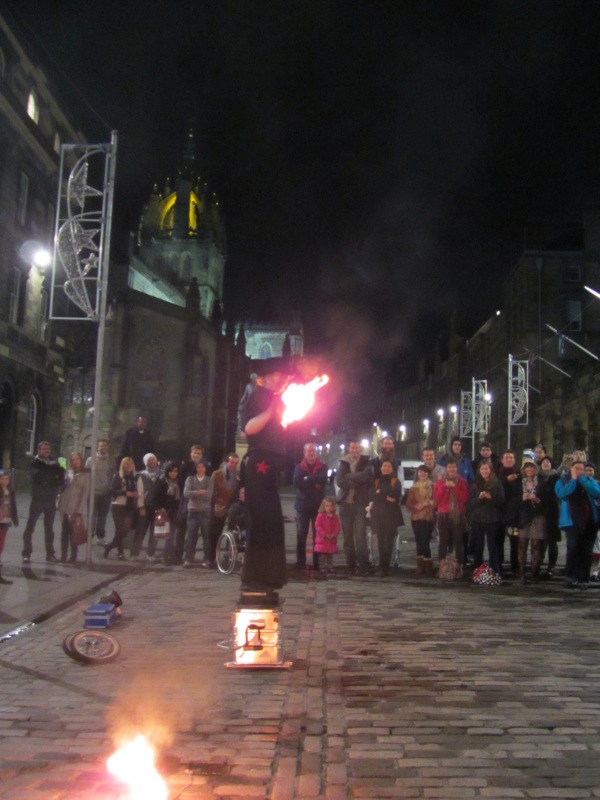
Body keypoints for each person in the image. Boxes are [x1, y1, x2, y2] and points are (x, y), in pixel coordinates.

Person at [239, 357, 290, 594]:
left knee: (271, 521)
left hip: (268, 465)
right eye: (278, 375)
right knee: (261, 521)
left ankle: (270, 575)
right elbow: (249, 428)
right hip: (259, 463)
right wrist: (271, 411)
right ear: (266, 377)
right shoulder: (258, 394)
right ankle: (256, 575)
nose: (281, 379)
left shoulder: (273, 397)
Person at [555, 459, 600, 589]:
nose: (579, 471)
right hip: (571, 521)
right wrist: (574, 480)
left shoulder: (589, 480)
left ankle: (583, 578)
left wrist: (583, 481)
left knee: (586, 551)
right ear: (571, 469)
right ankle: (571, 576)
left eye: (582, 469)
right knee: (573, 548)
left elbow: (597, 492)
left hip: (590, 521)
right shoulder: (563, 481)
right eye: (576, 468)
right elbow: (562, 494)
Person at [21, 441, 65, 564]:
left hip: (50, 500)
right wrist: (52, 475)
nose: (46, 451)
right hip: (37, 500)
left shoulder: (55, 461)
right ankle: (26, 553)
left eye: (48, 449)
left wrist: (55, 478)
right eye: (44, 449)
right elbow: (38, 477)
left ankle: (50, 554)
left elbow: (61, 476)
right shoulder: (35, 462)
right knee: (30, 527)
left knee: (49, 529)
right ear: (39, 450)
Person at [335, 439, 373, 577]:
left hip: (360, 504)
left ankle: (363, 566)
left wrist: (348, 477)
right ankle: (350, 565)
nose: (354, 450)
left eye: (357, 448)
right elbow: (339, 480)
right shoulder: (343, 462)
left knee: (360, 537)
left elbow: (365, 476)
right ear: (349, 448)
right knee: (347, 538)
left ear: (360, 449)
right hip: (345, 504)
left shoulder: (366, 461)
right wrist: (352, 483)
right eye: (352, 447)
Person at [293, 443, 327, 570]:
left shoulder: (323, 466)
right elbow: (297, 482)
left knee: (317, 535)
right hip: (302, 506)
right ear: (304, 453)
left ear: (316, 453)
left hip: (318, 507)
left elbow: (323, 480)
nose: (311, 453)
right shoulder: (299, 467)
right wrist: (314, 483)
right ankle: (301, 562)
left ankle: (316, 562)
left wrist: (307, 479)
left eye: (313, 451)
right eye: (309, 451)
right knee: (301, 535)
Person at [367, 459, 403, 576]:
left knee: (389, 541)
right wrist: (386, 496)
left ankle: (386, 566)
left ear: (392, 469)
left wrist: (380, 493)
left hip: (391, 515)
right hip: (378, 515)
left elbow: (395, 493)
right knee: (381, 541)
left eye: (389, 466)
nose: (386, 468)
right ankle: (382, 566)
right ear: (381, 468)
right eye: (384, 466)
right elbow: (372, 495)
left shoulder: (395, 481)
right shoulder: (376, 481)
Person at [468, 461, 505, 574]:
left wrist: (491, 498)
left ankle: (494, 569)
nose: (484, 471)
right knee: (478, 546)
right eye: (482, 469)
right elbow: (470, 503)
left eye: (486, 469)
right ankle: (478, 570)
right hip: (477, 519)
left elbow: (502, 501)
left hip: (493, 519)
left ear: (491, 470)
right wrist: (479, 498)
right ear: (479, 470)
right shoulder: (475, 483)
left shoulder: (497, 483)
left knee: (493, 546)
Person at [205, 452, 240, 569]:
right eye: (231, 462)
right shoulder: (217, 474)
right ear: (227, 462)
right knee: (213, 533)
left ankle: (226, 555)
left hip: (230, 507)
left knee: (230, 532)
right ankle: (210, 558)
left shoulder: (238, 475)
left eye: (235, 463)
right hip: (217, 507)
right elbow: (210, 492)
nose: (233, 465)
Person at [517, 458, 549, 584]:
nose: (529, 469)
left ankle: (534, 573)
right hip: (524, 516)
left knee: (536, 545)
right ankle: (521, 573)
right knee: (522, 545)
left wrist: (536, 499)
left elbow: (547, 501)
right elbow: (513, 501)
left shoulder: (541, 482)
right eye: (527, 467)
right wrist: (522, 498)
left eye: (531, 467)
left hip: (537, 516)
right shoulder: (519, 482)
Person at [434, 458, 469, 569]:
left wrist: (454, 488)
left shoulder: (462, 481)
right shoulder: (440, 482)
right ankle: (443, 567)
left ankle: (459, 567)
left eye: (453, 467)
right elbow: (437, 499)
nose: (451, 469)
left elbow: (464, 498)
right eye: (449, 467)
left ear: (457, 468)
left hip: (457, 515)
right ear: (446, 469)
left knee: (458, 542)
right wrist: (445, 487)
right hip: (443, 514)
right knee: (443, 543)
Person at [58, 452, 90, 564]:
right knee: (64, 532)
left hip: (75, 506)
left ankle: (73, 555)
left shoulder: (86, 475)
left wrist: (79, 510)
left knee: (74, 533)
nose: (75, 461)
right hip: (64, 504)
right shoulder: (68, 472)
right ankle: (63, 555)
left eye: (77, 459)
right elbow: (62, 487)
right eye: (73, 459)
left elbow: (85, 493)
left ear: (81, 460)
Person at [105, 457, 138, 560]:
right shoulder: (118, 476)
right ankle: (120, 552)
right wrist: (125, 492)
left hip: (129, 505)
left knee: (126, 529)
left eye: (130, 464)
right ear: (122, 466)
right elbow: (112, 491)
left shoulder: (134, 478)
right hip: (118, 505)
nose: (128, 466)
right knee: (119, 528)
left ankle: (110, 546)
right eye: (126, 464)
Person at [183, 458, 213, 567]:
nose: (200, 469)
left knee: (206, 537)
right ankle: (189, 558)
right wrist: (199, 492)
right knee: (191, 536)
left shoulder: (209, 480)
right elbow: (186, 493)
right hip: (193, 511)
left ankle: (207, 559)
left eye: (202, 467)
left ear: (205, 468)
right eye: (198, 467)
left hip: (205, 511)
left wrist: (194, 494)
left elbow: (209, 495)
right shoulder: (190, 479)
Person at [405, 464, 435, 573]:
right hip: (416, 517)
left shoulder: (433, 485)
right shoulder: (413, 488)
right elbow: (408, 504)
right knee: (418, 540)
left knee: (425, 540)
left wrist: (426, 503)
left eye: (425, 472)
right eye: (420, 472)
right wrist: (414, 506)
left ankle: (428, 566)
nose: (422, 474)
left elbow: (437, 500)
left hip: (428, 516)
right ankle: (420, 566)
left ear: (428, 473)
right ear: (417, 474)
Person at [133, 453, 161, 561]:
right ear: (145, 462)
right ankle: (134, 553)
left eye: (153, 459)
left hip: (157, 507)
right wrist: (141, 507)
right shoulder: (141, 475)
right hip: (145, 506)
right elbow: (140, 492)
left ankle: (151, 553)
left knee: (155, 532)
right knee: (141, 531)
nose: (152, 462)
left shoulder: (162, 474)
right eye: (149, 460)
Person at [152, 461, 181, 565]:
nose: (173, 474)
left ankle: (169, 556)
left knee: (171, 536)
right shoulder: (162, 483)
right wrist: (160, 508)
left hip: (173, 512)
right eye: (171, 471)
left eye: (175, 471)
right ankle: (161, 556)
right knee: (163, 535)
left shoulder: (177, 484)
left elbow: (178, 499)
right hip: (164, 512)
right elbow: (155, 497)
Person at [86, 439, 113, 545]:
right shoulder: (90, 460)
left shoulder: (111, 460)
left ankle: (100, 537)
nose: (103, 447)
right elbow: (86, 475)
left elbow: (113, 475)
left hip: (106, 493)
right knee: (91, 516)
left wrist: (110, 488)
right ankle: (89, 535)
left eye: (105, 446)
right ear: (97, 447)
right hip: (93, 493)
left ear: (107, 447)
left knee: (103, 517)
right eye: (101, 446)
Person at [499, 449, 521, 576]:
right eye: (507, 457)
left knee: (515, 540)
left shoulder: (518, 474)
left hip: (514, 515)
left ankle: (515, 566)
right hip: (500, 512)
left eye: (511, 458)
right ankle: (499, 564)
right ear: (502, 460)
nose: (509, 460)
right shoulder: (497, 474)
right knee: (499, 540)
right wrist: (506, 481)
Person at [539, 456, 561, 578]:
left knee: (552, 541)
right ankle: (538, 563)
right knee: (540, 541)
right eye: (543, 462)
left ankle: (551, 566)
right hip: (539, 512)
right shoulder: (537, 477)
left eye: (548, 462)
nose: (546, 464)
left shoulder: (556, 477)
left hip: (552, 512)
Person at [314, 497, 341, 574]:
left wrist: (334, 534)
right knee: (322, 556)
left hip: (331, 539)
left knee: (330, 555)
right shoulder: (320, 515)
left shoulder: (335, 516)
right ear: (323, 506)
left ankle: (330, 566)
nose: (329, 508)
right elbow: (317, 526)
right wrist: (324, 534)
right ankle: (322, 567)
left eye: (331, 506)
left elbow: (337, 526)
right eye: (327, 506)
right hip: (322, 540)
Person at [0, 471, 18, 568]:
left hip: (6, 518)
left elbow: (13, 506)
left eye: (6, 479)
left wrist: (15, 519)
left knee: (2, 540)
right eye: (2, 479)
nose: (4, 481)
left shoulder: (10, 491)